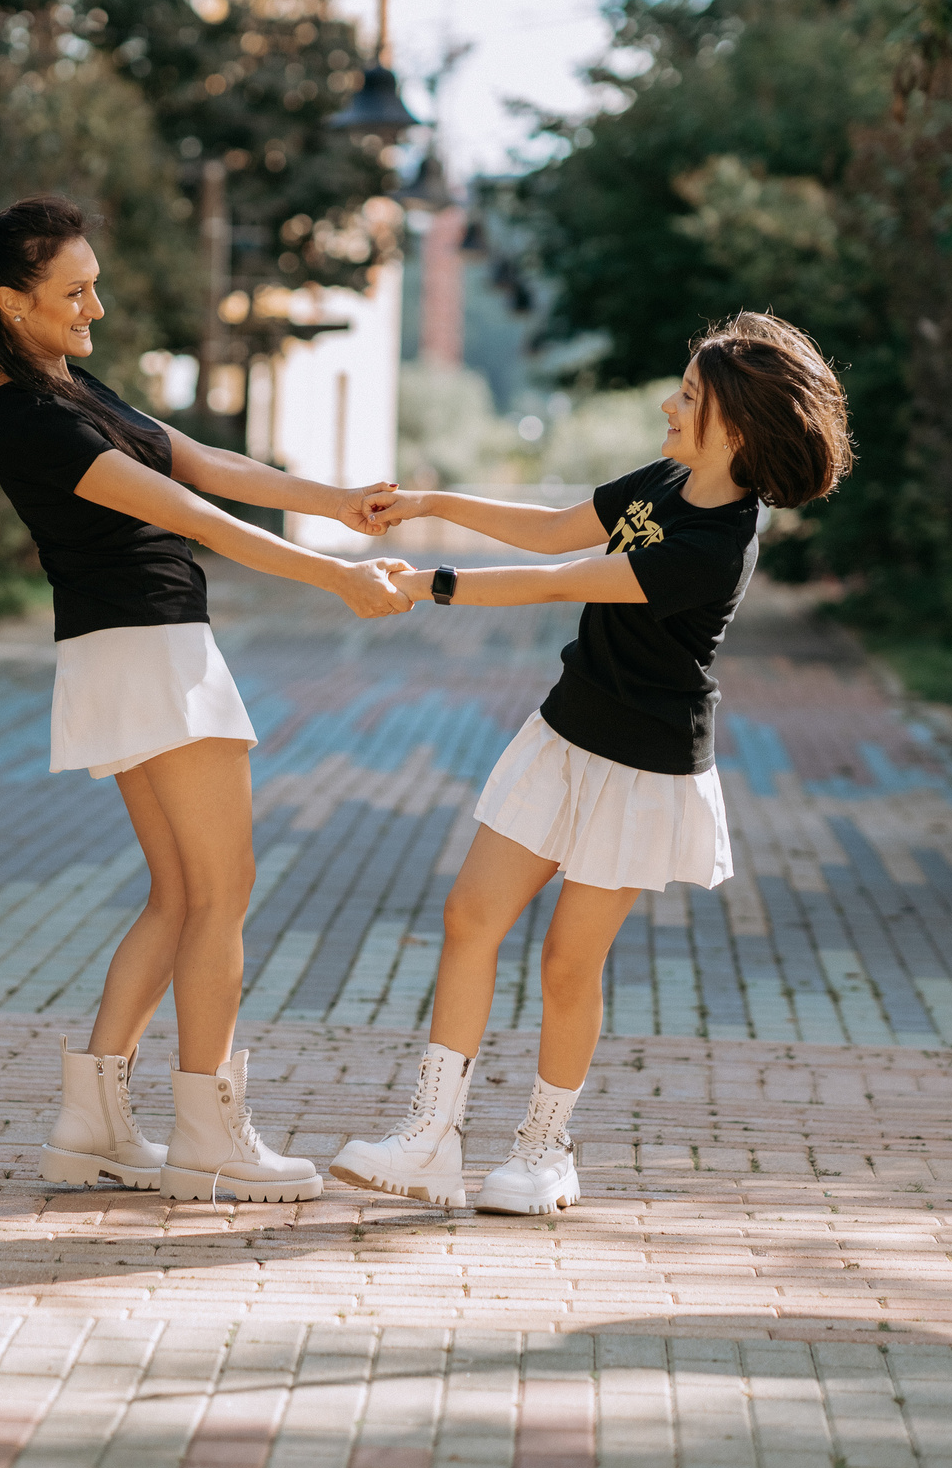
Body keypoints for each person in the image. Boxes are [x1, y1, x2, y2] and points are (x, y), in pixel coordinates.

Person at [0, 195, 412, 1204]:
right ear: (12, 304)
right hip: (151, 650)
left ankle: (93, 1123)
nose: (94, 306)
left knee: (181, 894)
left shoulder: (68, 388)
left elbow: (202, 462)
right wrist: (333, 577)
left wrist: (337, 503)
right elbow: (188, 513)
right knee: (223, 891)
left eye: (93, 284)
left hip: (133, 652)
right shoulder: (31, 418)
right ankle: (210, 1130)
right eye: (74, 290)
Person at [331, 313, 852, 1214]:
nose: (668, 404)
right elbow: (552, 530)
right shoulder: (665, 481)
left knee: (570, 963)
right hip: (565, 732)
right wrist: (429, 504)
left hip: (644, 768)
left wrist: (430, 585)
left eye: (688, 397)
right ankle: (428, 1141)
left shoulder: (718, 545)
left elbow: (564, 577)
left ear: (733, 424)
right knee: (469, 915)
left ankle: (543, 1151)